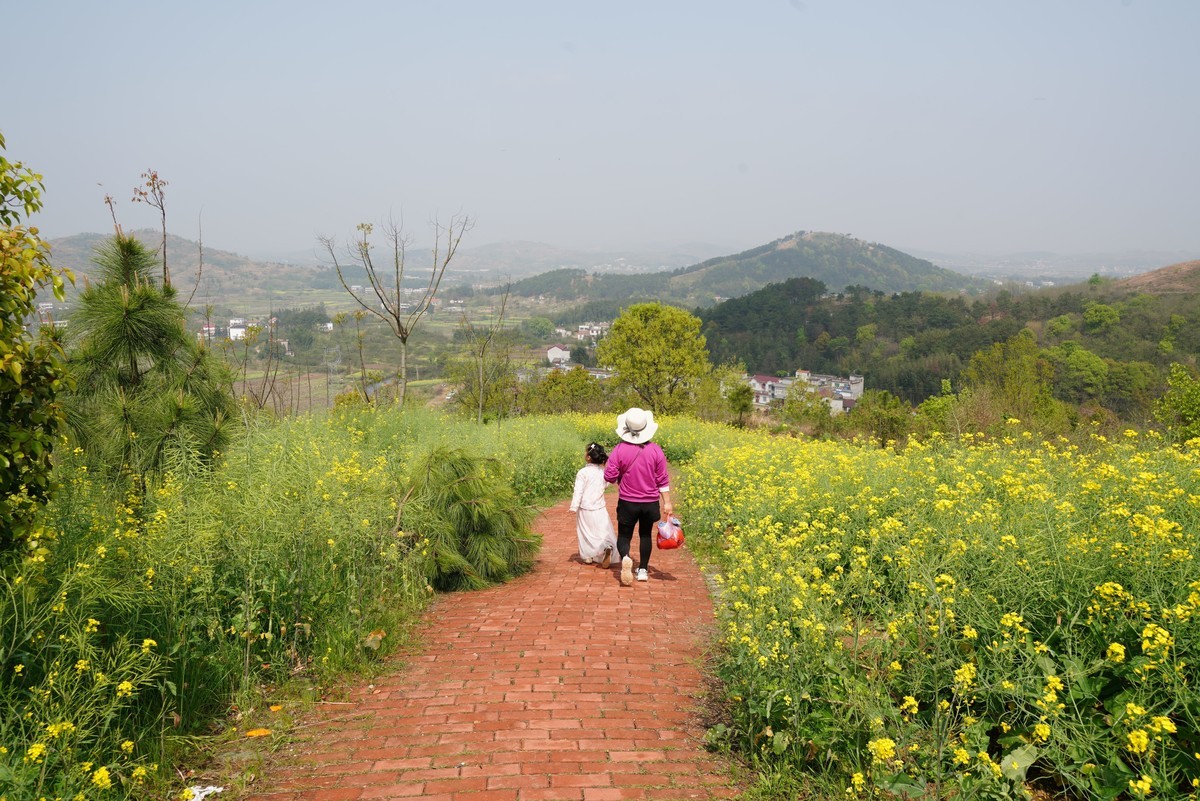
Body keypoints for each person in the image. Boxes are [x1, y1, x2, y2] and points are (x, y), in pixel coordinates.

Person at [604, 407, 673, 585]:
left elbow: (609, 476)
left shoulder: (619, 449)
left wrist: (620, 475)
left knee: (624, 536)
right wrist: (667, 503)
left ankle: (626, 557)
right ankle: (643, 570)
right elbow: (662, 479)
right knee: (645, 535)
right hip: (650, 502)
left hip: (628, 501)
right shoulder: (656, 451)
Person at [568, 442, 618, 568]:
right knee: (601, 530)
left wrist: (574, 506)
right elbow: (606, 485)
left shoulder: (583, 472)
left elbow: (578, 491)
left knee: (585, 531)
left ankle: (588, 557)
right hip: (599, 506)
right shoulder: (603, 473)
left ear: (589, 457)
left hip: (585, 507)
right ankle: (606, 546)